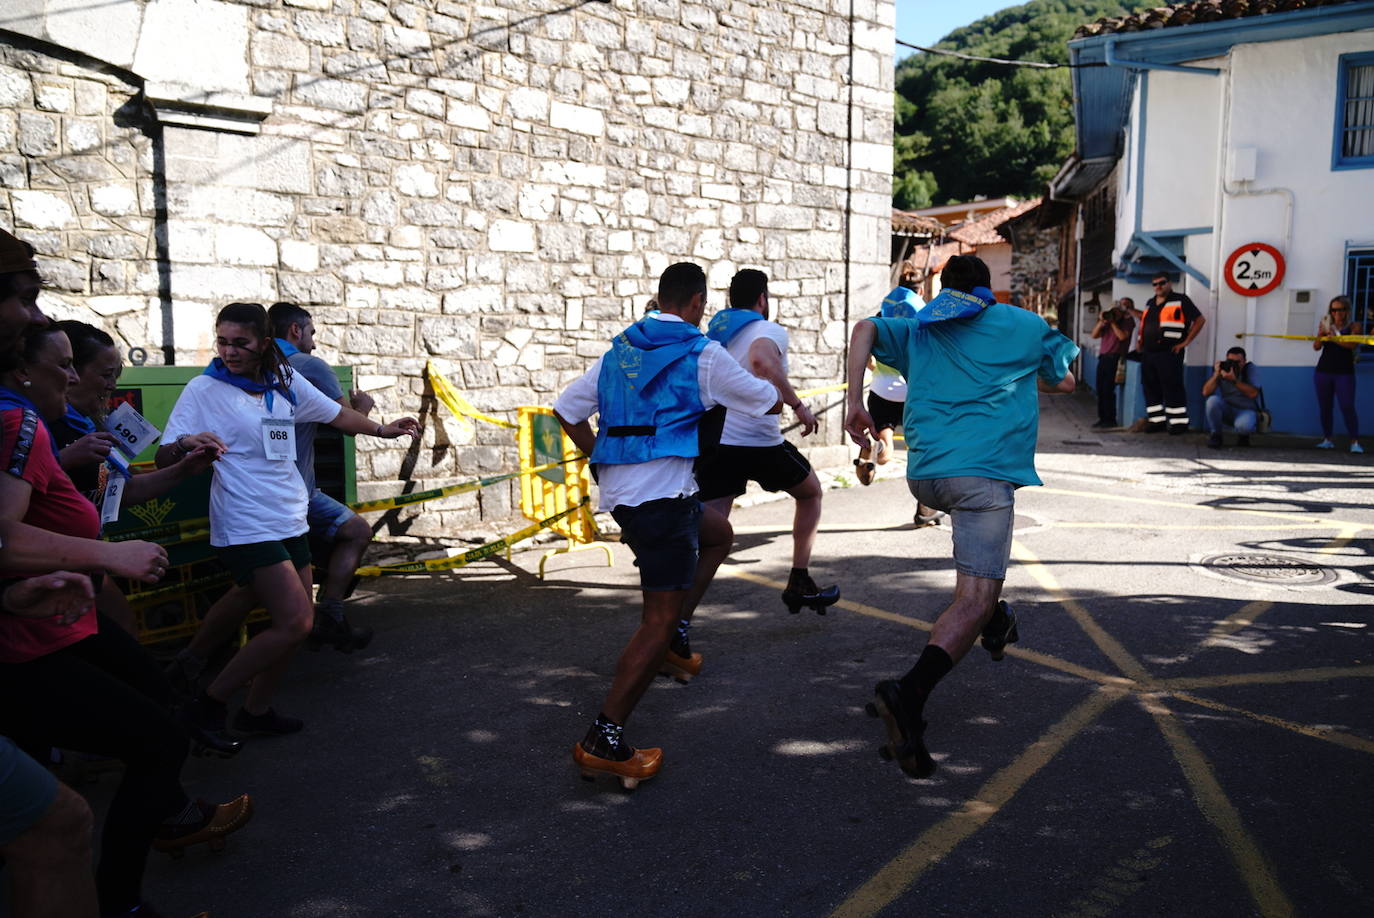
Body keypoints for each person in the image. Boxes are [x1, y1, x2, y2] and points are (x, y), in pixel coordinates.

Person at [0, 324, 252, 918]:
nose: (84, 380)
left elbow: (121, 490)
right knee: (136, 752)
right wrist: (105, 556)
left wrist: (182, 471)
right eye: (71, 366)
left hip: (56, 613)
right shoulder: (22, 423)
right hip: (33, 634)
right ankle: (125, 892)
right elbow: (6, 537)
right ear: (19, 369)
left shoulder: (59, 423)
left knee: (148, 719)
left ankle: (156, 832)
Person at [844, 254, 1077, 779]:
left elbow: (863, 328)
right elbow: (1064, 382)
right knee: (974, 597)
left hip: (925, 475)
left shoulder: (920, 326)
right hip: (983, 477)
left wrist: (856, 401)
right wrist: (1014, 373)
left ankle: (996, 620)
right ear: (988, 288)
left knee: (980, 592)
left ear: (943, 290)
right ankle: (909, 693)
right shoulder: (1022, 323)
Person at [553, 262, 780, 788]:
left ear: (661, 298)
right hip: (665, 502)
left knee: (719, 535)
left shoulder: (621, 352)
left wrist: (602, 460)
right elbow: (762, 402)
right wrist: (772, 382)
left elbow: (565, 410)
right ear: (699, 303)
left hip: (629, 499)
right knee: (655, 617)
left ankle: (674, 639)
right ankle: (604, 738)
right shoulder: (705, 354)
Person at [159, 303, 417, 745]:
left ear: (263, 341)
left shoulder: (284, 381)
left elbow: (337, 415)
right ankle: (207, 704)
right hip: (245, 521)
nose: (229, 352)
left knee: (291, 628)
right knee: (297, 622)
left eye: (240, 342)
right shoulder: (204, 389)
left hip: (289, 516)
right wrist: (187, 443)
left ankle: (255, 711)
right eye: (222, 342)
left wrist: (382, 430)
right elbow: (166, 454)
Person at [51, 320, 219, 634]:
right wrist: (62, 460)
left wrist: (184, 467)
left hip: (85, 562)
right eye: (105, 375)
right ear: (69, 373)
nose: (112, 385)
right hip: (50, 567)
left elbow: (120, 492)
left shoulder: (87, 428)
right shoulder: (32, 426)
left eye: (115, 375)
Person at [695, 268, 838, 615]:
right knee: (811, 493)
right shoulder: (767, 328)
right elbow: (761, 359)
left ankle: (675, 607)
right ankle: (799, 580)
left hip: (719, 441)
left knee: (711, 528)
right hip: (758, 441)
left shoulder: (716, 333)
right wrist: (798, 405)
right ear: (762, 299)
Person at [1131, 272, 1205, 434]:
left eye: (1162, 283)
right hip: (1149, 353)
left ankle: (1179, 423)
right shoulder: (1150, 303)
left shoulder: (1181, 300)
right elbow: (1144, 324)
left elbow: (1200, 320)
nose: (1158, 286)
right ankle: (1157, 421)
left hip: (1169, 352)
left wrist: (1186, 342)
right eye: (1155, 284)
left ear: (1169, 284)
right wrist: (1139, 341)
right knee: (1150, 387)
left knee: (1172, 386)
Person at [1313, 295, 1362, 453]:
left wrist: (1334, 338)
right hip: (1323, 370)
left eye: (1340, 310)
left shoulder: (1354, 326)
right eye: (1333, 310)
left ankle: (1354, 441)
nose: (1336, 313)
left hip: (1344, 372)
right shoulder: (1327, 325)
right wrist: (1321, 334)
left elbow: (1352, 345)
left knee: (1347, 406)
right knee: (1325, 406)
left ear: (1347, 310)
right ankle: (1327, 439)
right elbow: (1316, 347)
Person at [1202, 346, 1261, 449]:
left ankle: (1243, 436)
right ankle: (1216, 435)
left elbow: (1253, 394)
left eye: (1238, 362)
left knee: (1244, 426)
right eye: (1231, 361)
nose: (1234, 365)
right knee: (1212, 401)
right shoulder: (1224, 369)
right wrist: (1216, 374)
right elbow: (1206, 392)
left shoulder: (1249, 369)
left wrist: (1234, 381)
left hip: (1246, 410)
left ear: (1244, 361)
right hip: (1228, 408)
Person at [1089, 298, 1135, 428]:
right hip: (1103, 357)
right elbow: (1094, 335)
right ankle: (1102, 417)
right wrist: (1102, 321)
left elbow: (1122, 337)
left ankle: (1110, 419)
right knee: (1100, 389)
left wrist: (1114, 323)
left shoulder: (1127, 322)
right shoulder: (1107, 323)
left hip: (1115, 358)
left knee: (1108, 389)